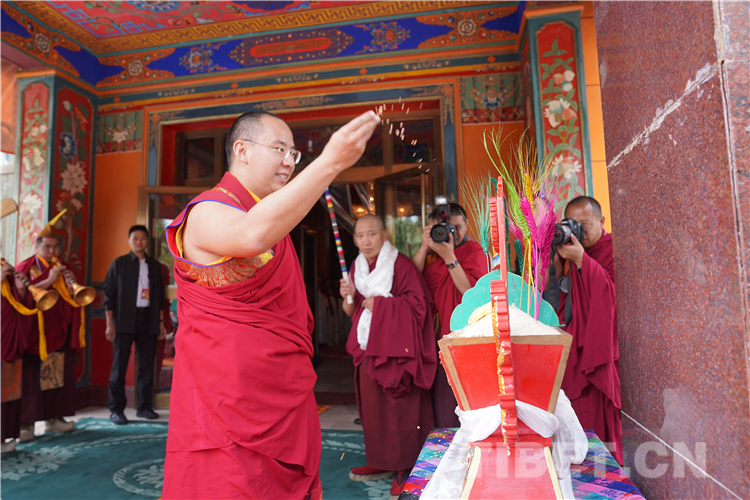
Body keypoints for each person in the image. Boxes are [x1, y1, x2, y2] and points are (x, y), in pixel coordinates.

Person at [161, 109, 380, 500]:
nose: (289, 162)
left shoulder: (270, 217)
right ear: (242, 150)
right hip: (225, 400)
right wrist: (329, 162)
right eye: (279, 149)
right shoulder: (206, 210)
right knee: (231, 486)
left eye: (293, 154)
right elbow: (250, 236)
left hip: (280, 386)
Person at [340, 214, 437, 496]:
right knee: (373, 410)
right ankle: (380, 460)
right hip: (368, 347)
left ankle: (405, 466)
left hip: (396, 352)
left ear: (384, 235)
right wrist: (347, 296)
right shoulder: (357, 268)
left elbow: (420, 306)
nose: (366, 241)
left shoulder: (401, 264)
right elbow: (353, 312)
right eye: (360, 235)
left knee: (399, 410)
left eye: (371, 234)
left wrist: (382, 306)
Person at [554, 195, 622, 464]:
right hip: (572, 348)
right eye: (572, 224)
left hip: (597, 351)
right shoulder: (568, 250)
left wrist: (584, 261)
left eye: (584, 224)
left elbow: (612, 296)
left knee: (595, 420)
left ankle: (604, 472)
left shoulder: (614, 248)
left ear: (602, 221)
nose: (578, 230)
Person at [412, 203, 488, 427]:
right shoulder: (431, 256)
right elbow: (411, 283)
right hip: (441, 339)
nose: (451, 233)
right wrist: (423, 248)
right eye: (443, 228)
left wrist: (449, 257)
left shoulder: (474, 251)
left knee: (471, 404)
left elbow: (471, 293)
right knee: (446, 406)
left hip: (470, 338)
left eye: (457, 227)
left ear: (466, 225)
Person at [15, 213, 83, 442]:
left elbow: (72, 300)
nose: (52, 251)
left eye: (56, 247)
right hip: (34, 332)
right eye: (47, 246)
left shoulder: (63, 268)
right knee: (31, 379)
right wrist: (49, 281)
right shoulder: (25, 267)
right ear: (37, 246)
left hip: (57, 330)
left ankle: (54, 419)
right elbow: (19, 297)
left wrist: (71, 289)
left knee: (56, 375)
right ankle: (26, 424)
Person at [103, 225, 167, 425]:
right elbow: (109, 296)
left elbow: (159, 297)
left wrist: (160, 322)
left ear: (148, 241)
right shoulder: (119, 264)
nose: (139, 242)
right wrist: (109, 324)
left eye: (143, 238)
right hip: (123, 321)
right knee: (119, 366)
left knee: (146, 366)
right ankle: (116, 410)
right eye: (135, 238)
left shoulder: (155, 266)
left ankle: (144, 407)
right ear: (129, 241)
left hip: (148, 320)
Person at [1, 261, 33, 454]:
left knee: (7, 391)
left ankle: (2, 436)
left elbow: (16, 306)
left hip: (8, 340)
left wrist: (20, 290)